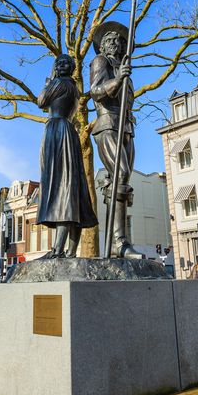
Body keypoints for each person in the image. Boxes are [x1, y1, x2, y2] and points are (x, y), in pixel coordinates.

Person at [89, 22, 143, 259]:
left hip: (126, 126)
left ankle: (117, 242)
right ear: (102, 45)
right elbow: (96, 91)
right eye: (110, 40)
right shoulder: (101, 62)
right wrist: (118, 79)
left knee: (120, 182)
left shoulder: (124, 67)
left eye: (119, 41)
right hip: (109, 123)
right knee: (120, 174)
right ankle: (119, 242)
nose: (115, 43)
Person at [37, 54, 98, 257]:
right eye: (59, 63)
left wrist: (48, 81)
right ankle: (70, 251)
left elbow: (41, 101)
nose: (62, 65)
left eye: (65, 63)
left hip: (57, 132)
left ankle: (57, 250)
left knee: (61, 186)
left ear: (71, 68)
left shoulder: (58, 82)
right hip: (68, 132)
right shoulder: (73, 86)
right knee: (73, 186)